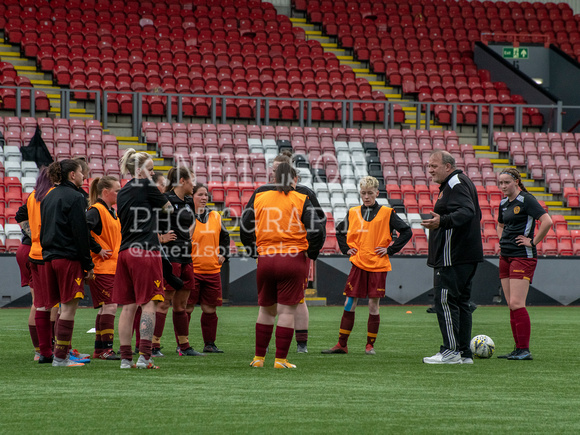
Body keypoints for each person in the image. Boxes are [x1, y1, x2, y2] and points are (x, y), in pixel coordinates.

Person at [241, 162, 324, 369]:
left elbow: (245, 227)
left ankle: (258, 358)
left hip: (266, 259)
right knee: (286, 311)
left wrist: (253, 251)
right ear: (295, 179)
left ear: (274, 178)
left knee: (266, 310)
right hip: (293, 259)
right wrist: (311, 253)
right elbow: (317, 231)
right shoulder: (301, 197)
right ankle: (280, 360)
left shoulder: (260, 195)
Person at [321, 176, 412, 355]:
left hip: (378, 265)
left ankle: (369, 346)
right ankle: (342, 345)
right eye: (363, 193)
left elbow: (407, 231)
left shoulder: (387, 213)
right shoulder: (353, 212)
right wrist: (346, 249)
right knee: (349, 303)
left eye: (370, 193)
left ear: (377, 193)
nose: (367, 196)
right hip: (358, 264)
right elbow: (340, 231)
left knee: (373, 305)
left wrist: (390, 250)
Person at [113, 149, 173, 369]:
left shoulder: (121, 191)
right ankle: (145, 356)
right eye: (149, 169)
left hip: (125, 252)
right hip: (145, 251)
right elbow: (169, 208)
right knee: (150, 304)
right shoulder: (146, 185)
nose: (152, 173)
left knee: (128, 307)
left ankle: (125, 359)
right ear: (139, 170)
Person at [421, 150, 483, 365]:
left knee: (445, 300)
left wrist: (443, 222)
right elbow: (472, 212)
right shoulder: (461, 182)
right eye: (428, 166)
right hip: (466, 253)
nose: (429, 170)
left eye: (433, 166)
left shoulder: (455, 182)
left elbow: (467, 212)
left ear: (448, 166)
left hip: (453, 255)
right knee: (461, 302)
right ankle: (465, 353)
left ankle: (451, 351)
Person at [40, 159, 94, 367]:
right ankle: (61, 358)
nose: (83, 176)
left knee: (60, 308)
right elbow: (80, 233)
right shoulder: (76, 197)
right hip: (68, 259)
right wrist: (88, 263)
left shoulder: (49, 196)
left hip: (50, 258)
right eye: (81, 172)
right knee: (69, 309)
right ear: (72, 175)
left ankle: (62, 353)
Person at [271, 152, 327, 353]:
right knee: (271, 301)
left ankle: (301, 343)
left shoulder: (305, 193)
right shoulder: (264, 193)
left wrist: (312, 251)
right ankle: (271, 343)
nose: (274, 172)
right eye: (273, 169)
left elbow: (320, 222)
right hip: (270, 252)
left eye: (278, 169)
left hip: (296, 253)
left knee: (298, 298)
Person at [496, 168, 552, 360]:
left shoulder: (527, 200)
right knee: (511, 304)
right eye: (500, 183)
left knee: (517, 303)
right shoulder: (504, 203)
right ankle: (518, 349)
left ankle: (524, 350)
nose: (503, 186)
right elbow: (500, 225)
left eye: (506, 182)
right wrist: (502, 241)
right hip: (506, 256)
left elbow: (547, 221)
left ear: (517, 182)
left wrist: (533, 241)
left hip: (523, 256)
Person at [152, 166, 203, 357]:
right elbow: (149, 222)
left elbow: (193, 221)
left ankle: (184, 346)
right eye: (192, 179)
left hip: (186, 256)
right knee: (164, 302)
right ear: (182, 181)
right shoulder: (166, 200)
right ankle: (154, 345)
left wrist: (188, 233)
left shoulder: (189, 201)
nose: (194, 183)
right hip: (170, 256)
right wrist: (161, 238)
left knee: (182, 304)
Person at [15, 167, 55, 362]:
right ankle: (43, 348)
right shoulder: (49, 196)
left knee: (39, 302)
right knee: (42, 302)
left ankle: (42, 347)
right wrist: (34, 236)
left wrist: (29, 233)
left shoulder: (34, 195)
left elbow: (19, 215)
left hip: (27, 249)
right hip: (37, 251)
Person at [189, 183, 230, 353]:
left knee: (210, 309)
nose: (204, 198)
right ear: (192, 197)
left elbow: (225, 239)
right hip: (192, 270)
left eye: (206, 195)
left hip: (212, 270)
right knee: (186, 308)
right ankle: (182, 344)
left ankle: (209, 344)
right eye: (200, 194)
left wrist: (224, 254)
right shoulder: (185, 216)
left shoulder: (216, 216)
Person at [86, 176, 122, 360]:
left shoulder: (111, 211)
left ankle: (100, 349)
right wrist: (97, 249)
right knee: (110, 307)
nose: (119, 193)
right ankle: (106, 349)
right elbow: (82, 229)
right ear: (105, 192)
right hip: (101, 268)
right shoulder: (96, 210)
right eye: (116, 190)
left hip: (111, 267)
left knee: (105, 308)